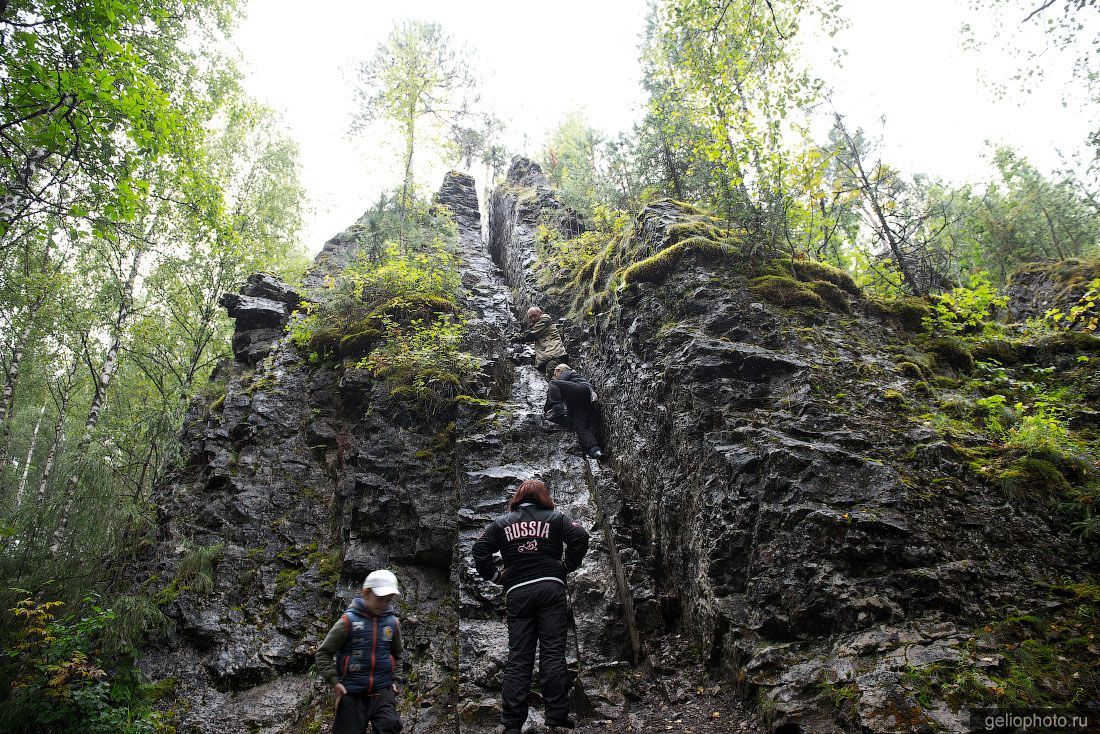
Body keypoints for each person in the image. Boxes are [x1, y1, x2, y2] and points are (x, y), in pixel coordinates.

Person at [472, 479, 590, 734]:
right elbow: (580, 535)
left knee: (519, 657)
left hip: (518, 593)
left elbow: (479, 550)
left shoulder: (502, 523)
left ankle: (512, 723)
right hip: (550, 588)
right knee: (552, 652)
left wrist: (496, 577)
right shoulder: (555, 517)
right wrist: (567, 566)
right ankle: (557, 716)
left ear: (517, 498)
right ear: (543, 497)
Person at [315, 569, 404, 734]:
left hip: (383, 691)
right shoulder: (347, 621)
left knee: (390, 725)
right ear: (366, 592)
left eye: (389, 600)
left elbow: (398, 655)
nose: (384, 604)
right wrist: (335, 682)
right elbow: (323, 653)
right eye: (380, 599)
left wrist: (395, 680)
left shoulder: (392, 623)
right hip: (351, 692)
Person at [545, 364, 604, 460]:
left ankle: (556, 409)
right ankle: (595, 450)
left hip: (582, 390)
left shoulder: (567, 372)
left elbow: (560, 385)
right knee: (581, 427)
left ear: (559, 370)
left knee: (553, 383)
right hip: (583, 402)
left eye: (556, 374)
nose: (555, 376)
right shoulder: (575, 379)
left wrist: (549, 410)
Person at [511, 306, 569, 380]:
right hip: (548, 359)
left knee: (554, 382)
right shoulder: (538, 326)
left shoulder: (545, 321)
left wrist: (514, 338)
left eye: (535, 315)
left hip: (554, 357)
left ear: (541, 313)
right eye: (530, 317)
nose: (533, 319)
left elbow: (531, 335)